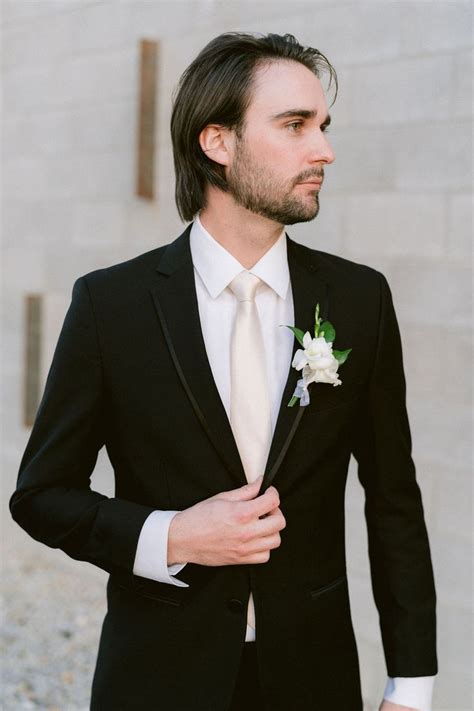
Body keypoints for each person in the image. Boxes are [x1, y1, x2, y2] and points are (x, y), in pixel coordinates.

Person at [10, 32, 437, 711]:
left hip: (313, 680)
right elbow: (41, 493)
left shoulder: (360, 299)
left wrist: (411, 685)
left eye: (323, 126)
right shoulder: (110, 305)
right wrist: (171, 535)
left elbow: (394, 500)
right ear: (218, 141)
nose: (323, 149)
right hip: (156, 679)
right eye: (295, 125)